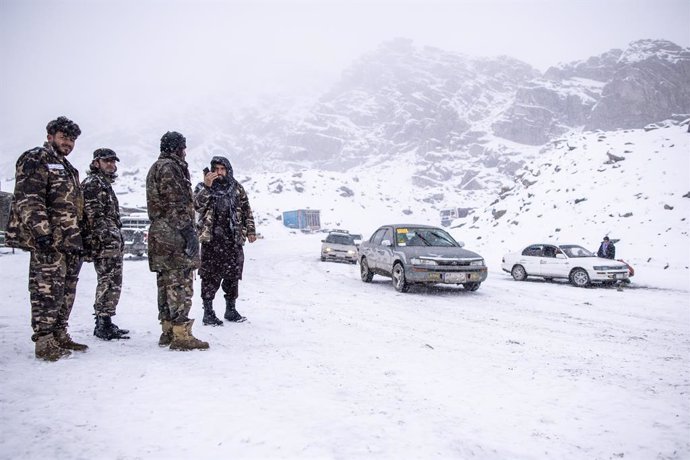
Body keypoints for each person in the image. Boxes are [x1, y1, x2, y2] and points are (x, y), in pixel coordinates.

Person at [5, 116, 88, 361]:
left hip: (69, 241)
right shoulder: (36, 158)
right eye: (64, 137)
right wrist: (41, 233)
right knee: (47, 290)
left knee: (66, 290)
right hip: (49, 240)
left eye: (72, 139)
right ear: (50, 135)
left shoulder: (67, 167)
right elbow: (29, 199)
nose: (69, 143)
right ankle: (44, 341)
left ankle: (60, 333)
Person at [146, 131, 208, 350]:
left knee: (165, 284)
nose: (185, 152)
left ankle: (168, 330)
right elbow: (176, 203)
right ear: (177, 148)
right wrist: (188, 232)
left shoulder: (156, 167)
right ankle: (181, 335)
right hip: (174, 236)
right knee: (180, 283)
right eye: (183, 147)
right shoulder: (171, 168)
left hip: (160, 235)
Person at [193, 156, 257, 326]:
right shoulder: (203, 187)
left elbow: (246, 210)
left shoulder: (236, 188)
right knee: (209, 277)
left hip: (232, 239)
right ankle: (208, 312)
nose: (220, 173)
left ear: (228, 170)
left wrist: (250, 230)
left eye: (223, 169)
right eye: (216, 169)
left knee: (233, 276)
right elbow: (196, 206)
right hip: (211, 239)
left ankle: (231, 309)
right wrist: (207, 187)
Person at [81, 148, 130, 340]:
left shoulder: (103, 184)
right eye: (106, 161)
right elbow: (94, 216)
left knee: (113, 282)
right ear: (96, 163)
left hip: (111, 242)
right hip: (104, 243)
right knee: (108, 280)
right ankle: (102, 323)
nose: (111, 164)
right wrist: (107, 238)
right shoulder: (93, 184)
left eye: (113, 161)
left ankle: (106, 320)